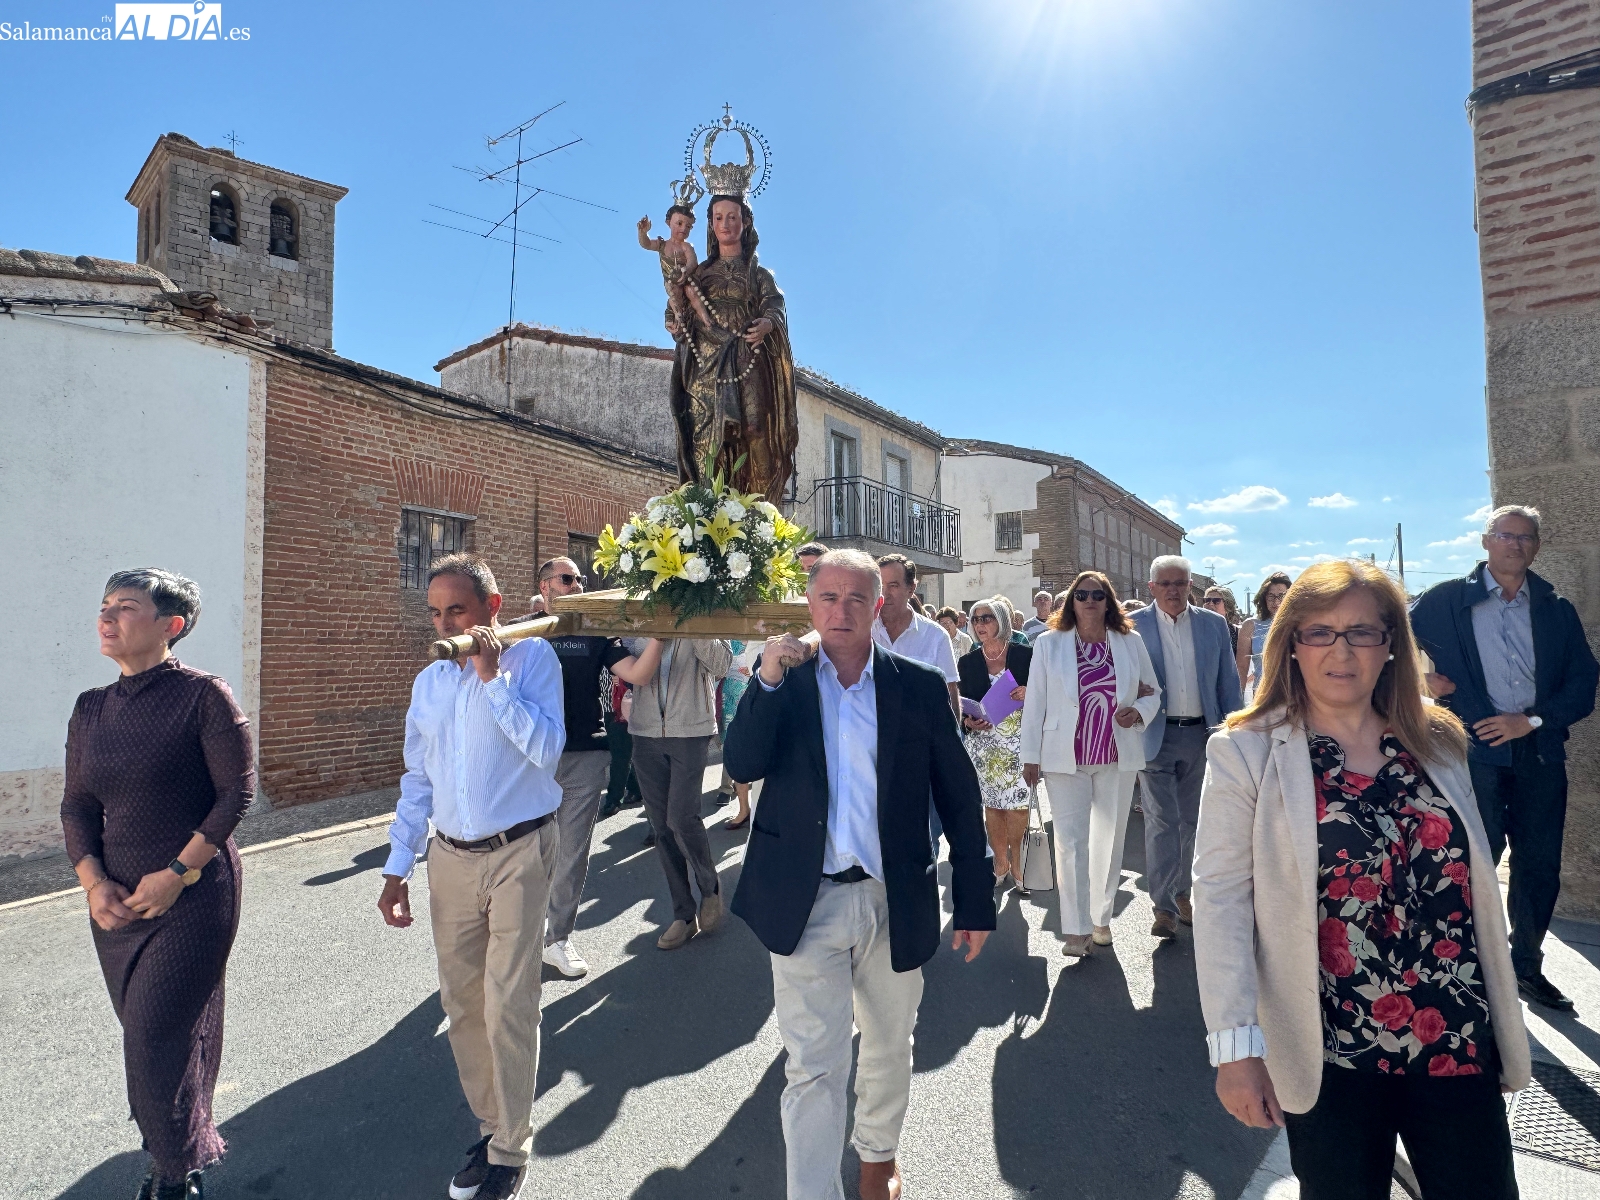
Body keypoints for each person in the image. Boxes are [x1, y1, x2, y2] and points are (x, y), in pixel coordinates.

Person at [1194, 559, 1530, 1199]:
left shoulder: (1437, 741)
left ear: (1390, 648)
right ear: (1292, 646)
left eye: (1362, 632)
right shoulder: (1245, 750)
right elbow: (1220, 901)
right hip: (1331, 1046)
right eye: (1319, 632)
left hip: (1453, 1031)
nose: (1340, 650)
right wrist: (1234, 1047)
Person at [725, 549, 996, 1200]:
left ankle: (878, 1155)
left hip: (891, 896)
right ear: (810, 606)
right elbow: (743, 759)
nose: (840, 610)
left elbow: (958, 795)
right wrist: (763, 678)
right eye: (827, 598)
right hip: (804, 899)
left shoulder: (918, 686)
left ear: (881, 607)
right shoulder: (782, 683)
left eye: (856, 599)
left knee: (887, 1043)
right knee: (813, 1068)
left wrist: (976, 899)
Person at [377, 554, 566, 1200]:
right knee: (462, 1005)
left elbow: (546, 751)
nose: (443, 622)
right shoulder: (429, 684)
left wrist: (492, 680)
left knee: (508, 1003)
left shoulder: (533, 660)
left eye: (455, 609)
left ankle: (511, 1146)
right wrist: (397, 866)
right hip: (449, 860)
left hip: (520, 851)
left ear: (492, 606)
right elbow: (418, 781)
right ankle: (492, 1127)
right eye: (434, 611)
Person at [62, 569, 253, 1200]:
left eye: (126, 607)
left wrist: (177, 873)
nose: (107, 617)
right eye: (104, 606)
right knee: (157, 1032)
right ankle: (178, 1140)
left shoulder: (204, 697)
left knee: (152, 1036)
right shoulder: (90, 708)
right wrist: (94, 885)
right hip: (117, 898)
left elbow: (235, 794)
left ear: (171, 625)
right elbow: (77, 806)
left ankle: (173, 1176)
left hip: (193, 893)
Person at [1409, 504, 1599, 1012]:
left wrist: (1532, 720)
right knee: (1473, 861)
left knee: (1539, 865)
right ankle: (1464, 968)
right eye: (1506, 535)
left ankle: (1526, 967)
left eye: (1526, 537)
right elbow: (1381, 641)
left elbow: (1584, 682)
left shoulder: (1555, 607)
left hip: (1539, 756)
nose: (1516, 544)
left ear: (1536, 546)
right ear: (1486, 541)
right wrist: (1417, 679)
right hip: (1475, 756)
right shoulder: (1445, 600)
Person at [1021, 571, 1162, 957]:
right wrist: (1029, 756)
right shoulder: (1049, 644)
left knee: (1109, 841)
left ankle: (1101, 917)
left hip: (1117, 757)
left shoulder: (1130, 642)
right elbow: (1035, 702)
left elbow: (1154, 692)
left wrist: (1139, 710)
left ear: (1108, 601)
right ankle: (1076, 929)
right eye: (1081, 594)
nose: (1088, 600)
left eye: (1096, 595)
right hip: (1064, 758)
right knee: (1070, 844)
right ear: (1071, 601)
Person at [534, 557, 662, 979]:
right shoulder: (522, 631)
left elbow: (638, 675)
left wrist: (663, 633)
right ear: (546, 586)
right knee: (527, 855)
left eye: (580, 579)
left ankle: (557, 940)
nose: (577, 585)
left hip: (585, 756)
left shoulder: (595, 634)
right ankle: (520, 935)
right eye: (568, 579)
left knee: (571, 853)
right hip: (531, 760)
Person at [1130, 555, 1243, 939]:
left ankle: (1182, 893)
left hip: (1201, 735)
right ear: (1152, 588)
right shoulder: (1133, 627)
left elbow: (1228, 680)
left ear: (1190, 585)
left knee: (1192, 821)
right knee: (1161, 820)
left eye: (1181, 583)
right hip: (1154, 736)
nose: (1174, 590)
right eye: (1166, 584)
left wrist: (1234, 732)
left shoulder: (1213, 625)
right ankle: (1162, 907)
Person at [666, 191, 798, 503]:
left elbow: (774, 306)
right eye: (718, 218)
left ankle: (760, 510)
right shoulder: (697, 273)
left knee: (755, 430)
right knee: (706, 434)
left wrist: (767, 324)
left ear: (746, 222)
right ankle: (704, 506)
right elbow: (675, 309)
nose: (725, 224)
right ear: (711, 225)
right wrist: (673, 321)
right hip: (705, 368)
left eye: (732, 217)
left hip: (746, 361)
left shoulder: (758, 274)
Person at [625, 635, 733, 949]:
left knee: (682, 818)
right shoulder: (639, 613)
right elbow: (627, 651)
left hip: (691, 729)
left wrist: (691, 626)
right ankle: (683, 914)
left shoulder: (703, 610)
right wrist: (658, 633)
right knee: (661, 827)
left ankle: (709, 884)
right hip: (645, 732)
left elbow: (721, 664)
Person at [957, 597, 1033, 892]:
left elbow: (1050, 692)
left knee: (1018, 808)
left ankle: (1019, 864)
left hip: (1020, 744)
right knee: (993, 807)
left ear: (1001, 620)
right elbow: (960, 705)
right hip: (984, 746)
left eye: (986, 618)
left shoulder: (1026, 655)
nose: (980, 624)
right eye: (975, 619)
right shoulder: (967, 661)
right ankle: (1000, 862)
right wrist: (968, 722)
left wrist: (1032, 691)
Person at [872, 554, 960, 719]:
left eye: (893, 585)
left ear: (911, 589)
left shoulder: (936, 636)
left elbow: (950, 693)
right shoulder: (862, 632)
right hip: (871, 739)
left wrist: (949, 741)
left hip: (920, 738)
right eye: (879, 585)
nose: (884, 593)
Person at [718, 638, 759, 829]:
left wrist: (753, 670)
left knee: (760, 752)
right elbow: (716, 667)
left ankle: (761, 811)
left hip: (759, 698)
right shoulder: (729, 637)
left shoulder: (763, 633)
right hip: (731, 699)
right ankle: (744, 809)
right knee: (735, 749)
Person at [1237, 572, 1291, 699]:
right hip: (1262, 696)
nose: (1276, 601)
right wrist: (1237, 703)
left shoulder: (1299, 624)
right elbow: (1242, 668)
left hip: (1295, 696)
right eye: (1271, 596)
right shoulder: (1250, 625)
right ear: (1264, 597)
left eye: (1281, 596)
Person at [1202, 587, 1242, 658]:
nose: (1210, 604)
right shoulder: (1195, 629)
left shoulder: (1237, 632)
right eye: (1207, 600)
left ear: (1227, 606)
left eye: (1216, 601)